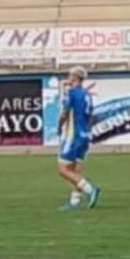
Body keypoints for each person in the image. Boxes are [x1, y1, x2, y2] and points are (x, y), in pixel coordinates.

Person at [57, 67, 100, 210]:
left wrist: (59, 126)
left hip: (73, 135)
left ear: (75, 77)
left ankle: (90, 189)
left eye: (70, 75)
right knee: (74, 169)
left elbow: (65, 112)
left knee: (63, 169)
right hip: (85, 135)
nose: (68, 77)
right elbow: (91, 115)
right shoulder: (87, 95)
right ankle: (75, 201)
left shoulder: (71, 92)